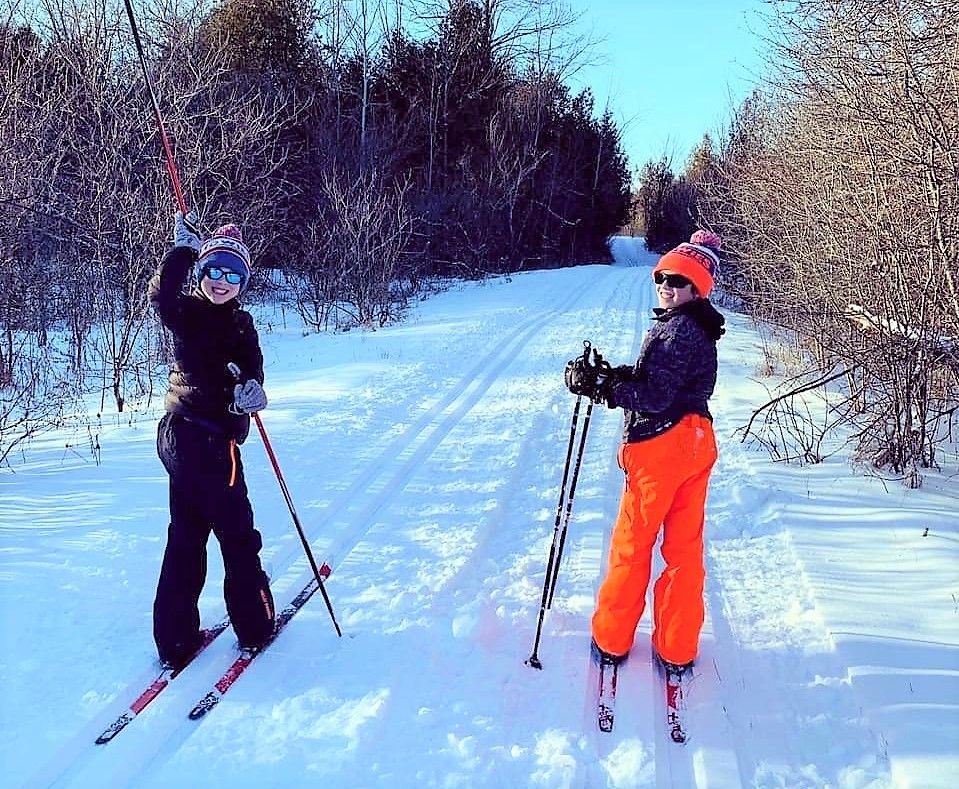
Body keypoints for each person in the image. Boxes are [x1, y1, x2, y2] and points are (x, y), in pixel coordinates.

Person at [569, 230, 726, 674]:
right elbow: (663, 381)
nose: (666, 287)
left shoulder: (679, 331)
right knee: (683, 548)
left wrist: (606, 389)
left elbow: (656, 395)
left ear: (698, 289)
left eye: (678, 281)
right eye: (662, 278)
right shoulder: (695, 327)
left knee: (633, 544)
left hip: (662, 446)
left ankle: (613, 640)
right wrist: (615, 375)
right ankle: (678, 648)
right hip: (695, 443)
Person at [148, 211, 275, 668]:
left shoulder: (242, 325)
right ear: (201, 274)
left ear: (243, 282)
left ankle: (176, 639)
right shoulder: (189, 313)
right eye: (213, 271)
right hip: (202, 442)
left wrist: (253, 389)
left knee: (187, 535)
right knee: (237, 536)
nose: (222, 281)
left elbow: (252, 364)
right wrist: (181, 253)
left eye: (233, 275)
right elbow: (162, 296)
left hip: (183, 443)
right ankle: (256, 626)